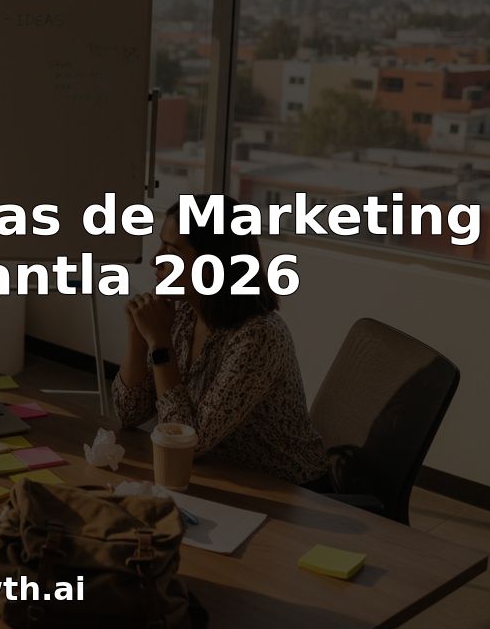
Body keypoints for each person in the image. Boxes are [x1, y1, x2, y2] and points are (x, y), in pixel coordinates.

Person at [113, 194, 329, 487]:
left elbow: (190, 442)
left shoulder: (258, 336)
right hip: (221, 474)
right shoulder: (184, 314)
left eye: (171, 250)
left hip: (288, 491)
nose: (154, 259)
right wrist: (138, 337)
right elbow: (128, 414)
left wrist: (160, 343)